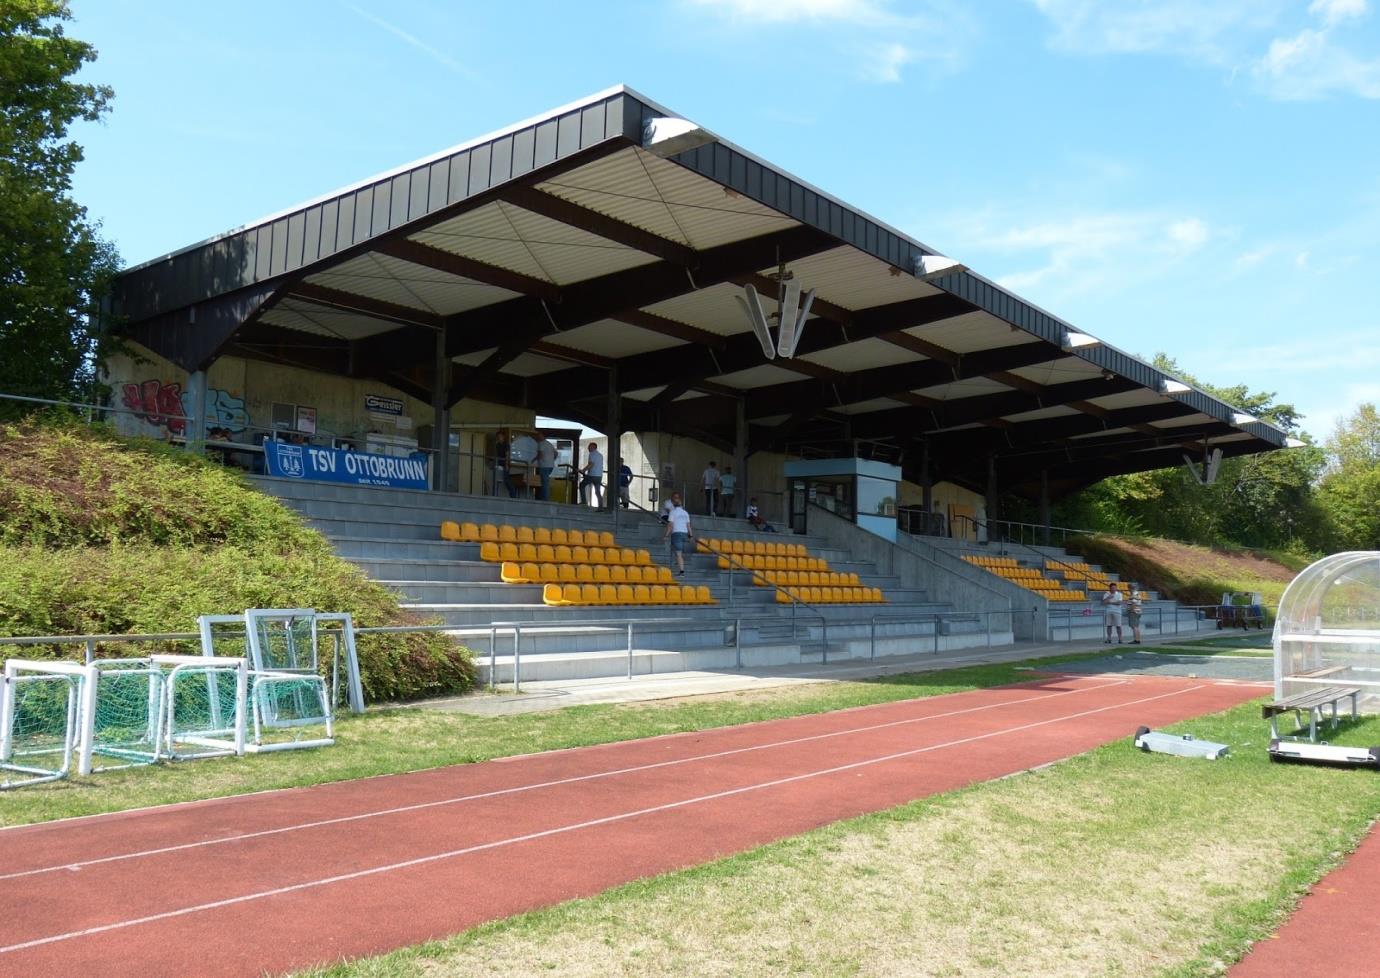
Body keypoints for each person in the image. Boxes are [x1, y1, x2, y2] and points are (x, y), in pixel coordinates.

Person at [663, 492, 692, 575]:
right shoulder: (686, 513)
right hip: (685, 533)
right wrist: (691, 536)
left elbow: (670, 525)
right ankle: (678, 562)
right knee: (679, 552)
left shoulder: (673, 512)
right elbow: (689, 526)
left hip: (677, 534)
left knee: (678, 553)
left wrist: (666, 535)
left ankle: (681, 571)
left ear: (674, 505)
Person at [580, 441, 604, 507]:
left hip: (592, 475)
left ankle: (584, 502)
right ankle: (600, 507)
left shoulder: (592, 454)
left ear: (593, 447)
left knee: (582, 485)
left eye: (589, 446)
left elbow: (591, 464)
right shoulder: (600, 455)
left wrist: (583, 470)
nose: (588, 448)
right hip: (599, 476)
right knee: (597, 492)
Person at [491, 432, 514, 498]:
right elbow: (496, 455)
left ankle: (513, 495)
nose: (499, 438)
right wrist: (494, 464)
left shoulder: (506, 444)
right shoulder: (497, 445)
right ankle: (495, 495)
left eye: (500, 436)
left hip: (505, 464)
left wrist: (506, 465)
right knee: (497, 480)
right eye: (498, 436)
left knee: (506, 480)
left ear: (503, 437)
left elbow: (507, 455)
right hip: (499, 464)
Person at [534, 432, 556, 501]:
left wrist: (532, 461)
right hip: (550, 466)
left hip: (544, 466)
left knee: (544, 483)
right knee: (544, 482)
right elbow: (556, 453)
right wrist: (552, 460)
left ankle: (545, 499)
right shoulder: (549, 444)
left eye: (540, 436)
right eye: (538, 436)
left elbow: (540, 455)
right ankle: (541, 498)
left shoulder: (541, 444)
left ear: (543, 436)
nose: (539, 437)